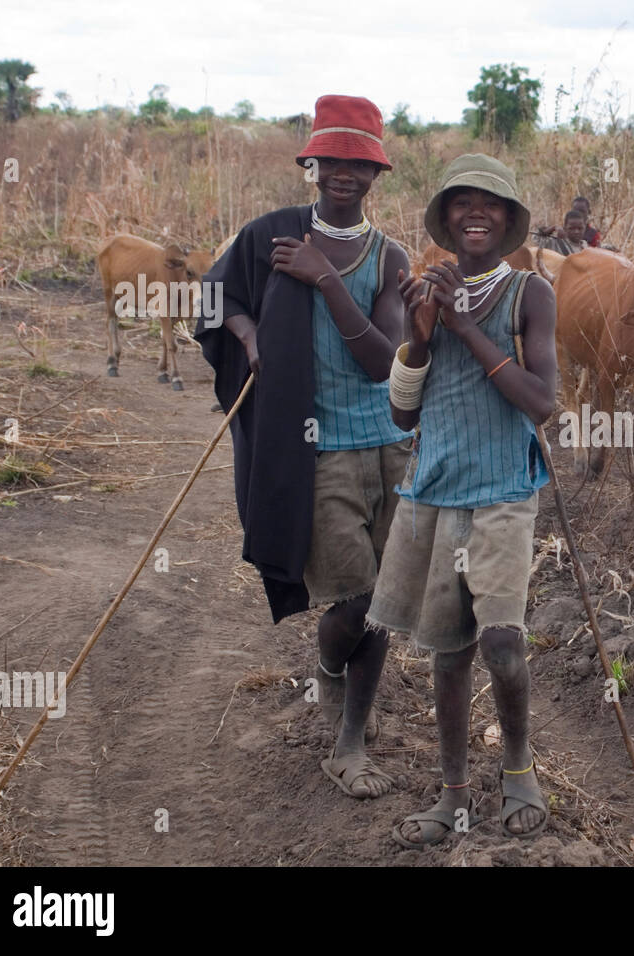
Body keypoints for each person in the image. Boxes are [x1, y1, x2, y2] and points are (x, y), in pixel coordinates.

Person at [197, 94, 413, 799]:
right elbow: (209, 300)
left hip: (387, 448)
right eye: (333, 161)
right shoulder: (267, 237)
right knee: (356, 601)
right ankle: (337, 707)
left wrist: (323, 278)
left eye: (361, 164)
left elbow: (383, 361)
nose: (344, 174)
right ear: (310, 164)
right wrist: (252, 337)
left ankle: (350, 724)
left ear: (376, 175)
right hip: (317, 453)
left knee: (382, 601)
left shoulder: (388, 258)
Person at [368, 154, 558, 846]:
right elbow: (400, 417)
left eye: (491, 204)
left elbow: (541, 402)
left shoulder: (528, 294)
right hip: (436, 496)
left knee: (503, 645)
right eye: (462, 203)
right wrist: (420, 334)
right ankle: (451, 797)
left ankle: (517, 770)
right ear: (446, 218)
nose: (475, 213)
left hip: (505, 493)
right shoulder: (421, 293)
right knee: (449, 654)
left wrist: (466, 328)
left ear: (507, 220)